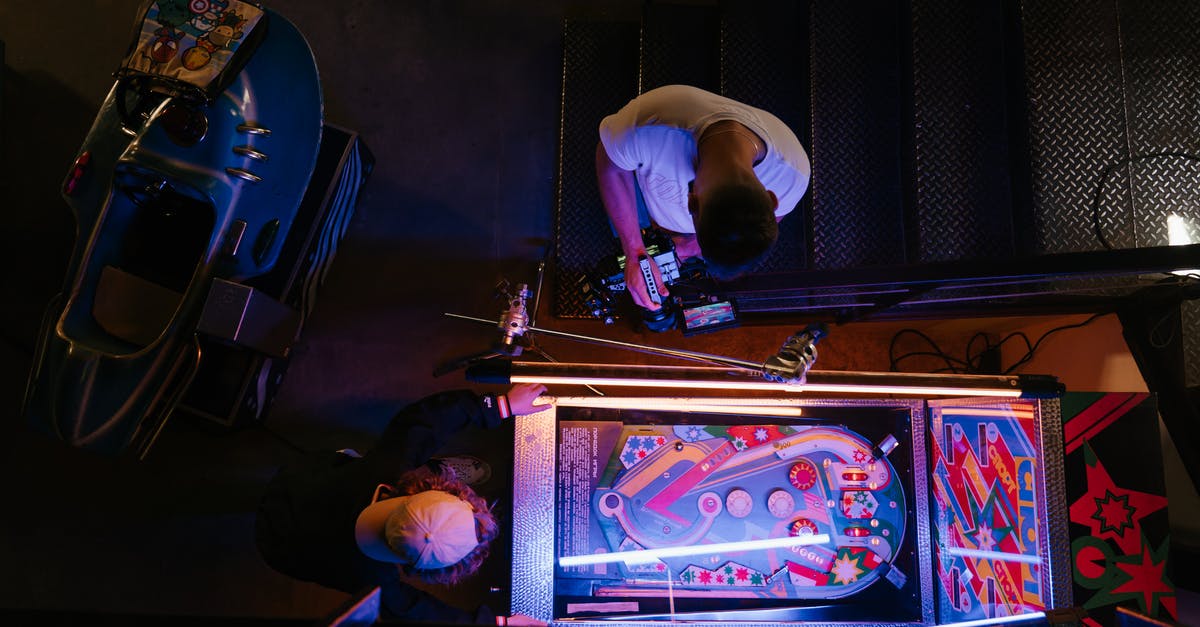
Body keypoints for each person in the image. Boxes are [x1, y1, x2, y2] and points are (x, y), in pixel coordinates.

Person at [255, 383, 550, 625]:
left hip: (297, 481)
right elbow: (418, 614)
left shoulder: (386, 468)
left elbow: (425, 419)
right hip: (277, 548)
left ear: (415, 493)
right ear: (429, 572)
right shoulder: (377, 582)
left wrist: (501, 406)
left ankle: (435, 468)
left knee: (346, 462)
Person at [595, 84, 811, 311]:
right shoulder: (643, 129)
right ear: (690, 202)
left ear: (772, 199)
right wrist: (633, 251)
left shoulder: (792, 176)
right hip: (644, 197)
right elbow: (610, 162)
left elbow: (772, 218)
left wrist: (688, 247)